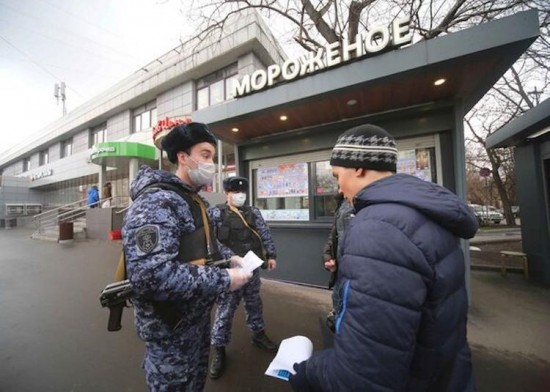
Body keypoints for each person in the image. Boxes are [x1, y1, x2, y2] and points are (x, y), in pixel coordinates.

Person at [289, 124, 479, 391]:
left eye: (336, 175)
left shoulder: (378, 228)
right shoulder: (419, 214)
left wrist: (307, 372)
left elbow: (362, 375)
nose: (340, 188)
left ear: (358, 168)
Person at [121, 122, 252, 391]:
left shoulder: (191, 200)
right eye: (205, 155)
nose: (211, 163)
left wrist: (230, 258)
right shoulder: (158, 201)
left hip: (196, 321)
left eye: (212, 157)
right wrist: (225, 279)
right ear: (183, 157)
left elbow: (202, 247)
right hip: (171, 330)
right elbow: (152, 276)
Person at [208, 176, 278, 379]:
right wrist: (231, 257)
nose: (240, 195)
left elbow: (264, 233)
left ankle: (258, 334)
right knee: (225, 309)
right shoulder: (216, 213)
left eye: (242, 192)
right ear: (226, 194)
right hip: (229, 271)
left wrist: (271, 255)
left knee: (254, 302)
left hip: (252, 266)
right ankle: (219, 348)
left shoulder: (253, 211)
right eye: (235, 192)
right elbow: (211, 242)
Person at [321, 191, 354, 333]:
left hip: (353, 272)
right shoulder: (342, 204)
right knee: (338, 299)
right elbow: (334, 235)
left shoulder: (362, 206)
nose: (340, 187)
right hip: (340, 269)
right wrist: (327, 256)